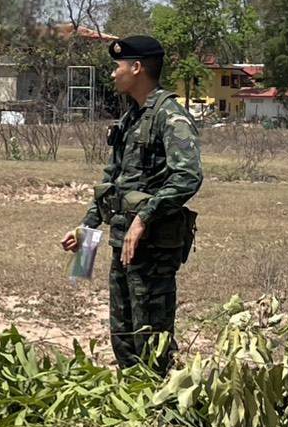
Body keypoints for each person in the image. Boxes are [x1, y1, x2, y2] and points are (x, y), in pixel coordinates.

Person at [63, 35, 202, 374]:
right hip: (122, 242)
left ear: (137, 67)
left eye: (118, 66)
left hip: (153, 247)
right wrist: (86, 226)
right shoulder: (131, 118)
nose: (113, 73)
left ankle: (162, 401)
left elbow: (188, 176)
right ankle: (131, 395)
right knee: (123, 336)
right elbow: (112, 181)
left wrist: (144, 218)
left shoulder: (170, 116)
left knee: (152, 339)